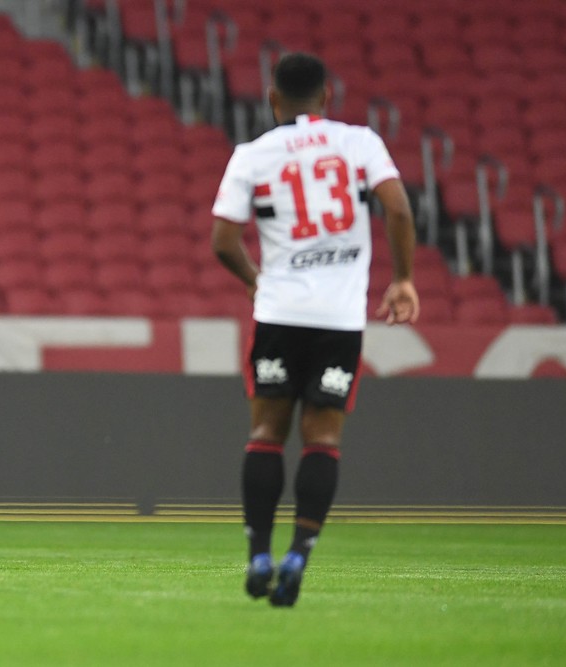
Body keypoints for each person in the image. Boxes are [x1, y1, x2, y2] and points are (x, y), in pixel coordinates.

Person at [210, 53, 419, 606]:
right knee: (322, 441)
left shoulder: (252, 155)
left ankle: (259, 553)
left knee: (265, 436)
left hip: (279, 315)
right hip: (339, 320)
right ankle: (299, 554)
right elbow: (397, 210)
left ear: (274, 101)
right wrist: (402, 280)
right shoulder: (360, 143)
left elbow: (222, 242)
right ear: (327, 96)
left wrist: (258, 283)